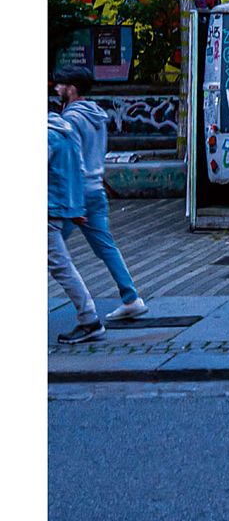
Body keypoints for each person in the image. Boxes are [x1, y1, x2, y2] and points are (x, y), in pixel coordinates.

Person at [53, 67, 147, 320]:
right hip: (95, 189)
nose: (56, 89)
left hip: (76, 194)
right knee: (106, 247)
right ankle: (131, 297)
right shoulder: (97, 115)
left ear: (71, 88)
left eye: (60, 85)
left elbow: (72, 161)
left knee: (50, 249)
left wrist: (74, 203)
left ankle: (88, 313)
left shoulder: (70, 119)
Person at [49, 99, 103, 341]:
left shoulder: (47, 137)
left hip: (47, 210)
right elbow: (79, 170)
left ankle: (89, 318)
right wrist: (77, 206)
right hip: (60, 208)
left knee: (61, 266)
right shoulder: (64, 131)